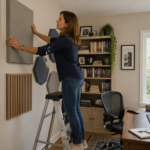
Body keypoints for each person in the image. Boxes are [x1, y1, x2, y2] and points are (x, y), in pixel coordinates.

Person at [6, 11, 88, 150]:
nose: (57, 21)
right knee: (76, 111)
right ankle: (83, 141)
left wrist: (19, 46)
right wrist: (37, 33)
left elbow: (41, 51)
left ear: (67, 24)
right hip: (78, 77)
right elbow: (51, 40)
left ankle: (77, 145)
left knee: (71, 112)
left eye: (60, 19)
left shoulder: (64, 39)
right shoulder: (69, 39)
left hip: (70, 78)